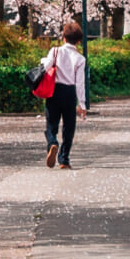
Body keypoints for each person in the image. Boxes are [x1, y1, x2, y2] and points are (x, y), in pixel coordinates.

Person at [38, 21, 90, 169]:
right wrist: (82, 104)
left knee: (51, 123)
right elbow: (80, 83)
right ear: (78, 42)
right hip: (69, 92)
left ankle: (53, 142)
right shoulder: (80, 59)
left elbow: (45, 66)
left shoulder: (55, 51)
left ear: (64, 38)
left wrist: (43, 60)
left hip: (54, 91)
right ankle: (64, 160)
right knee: (69, 127)